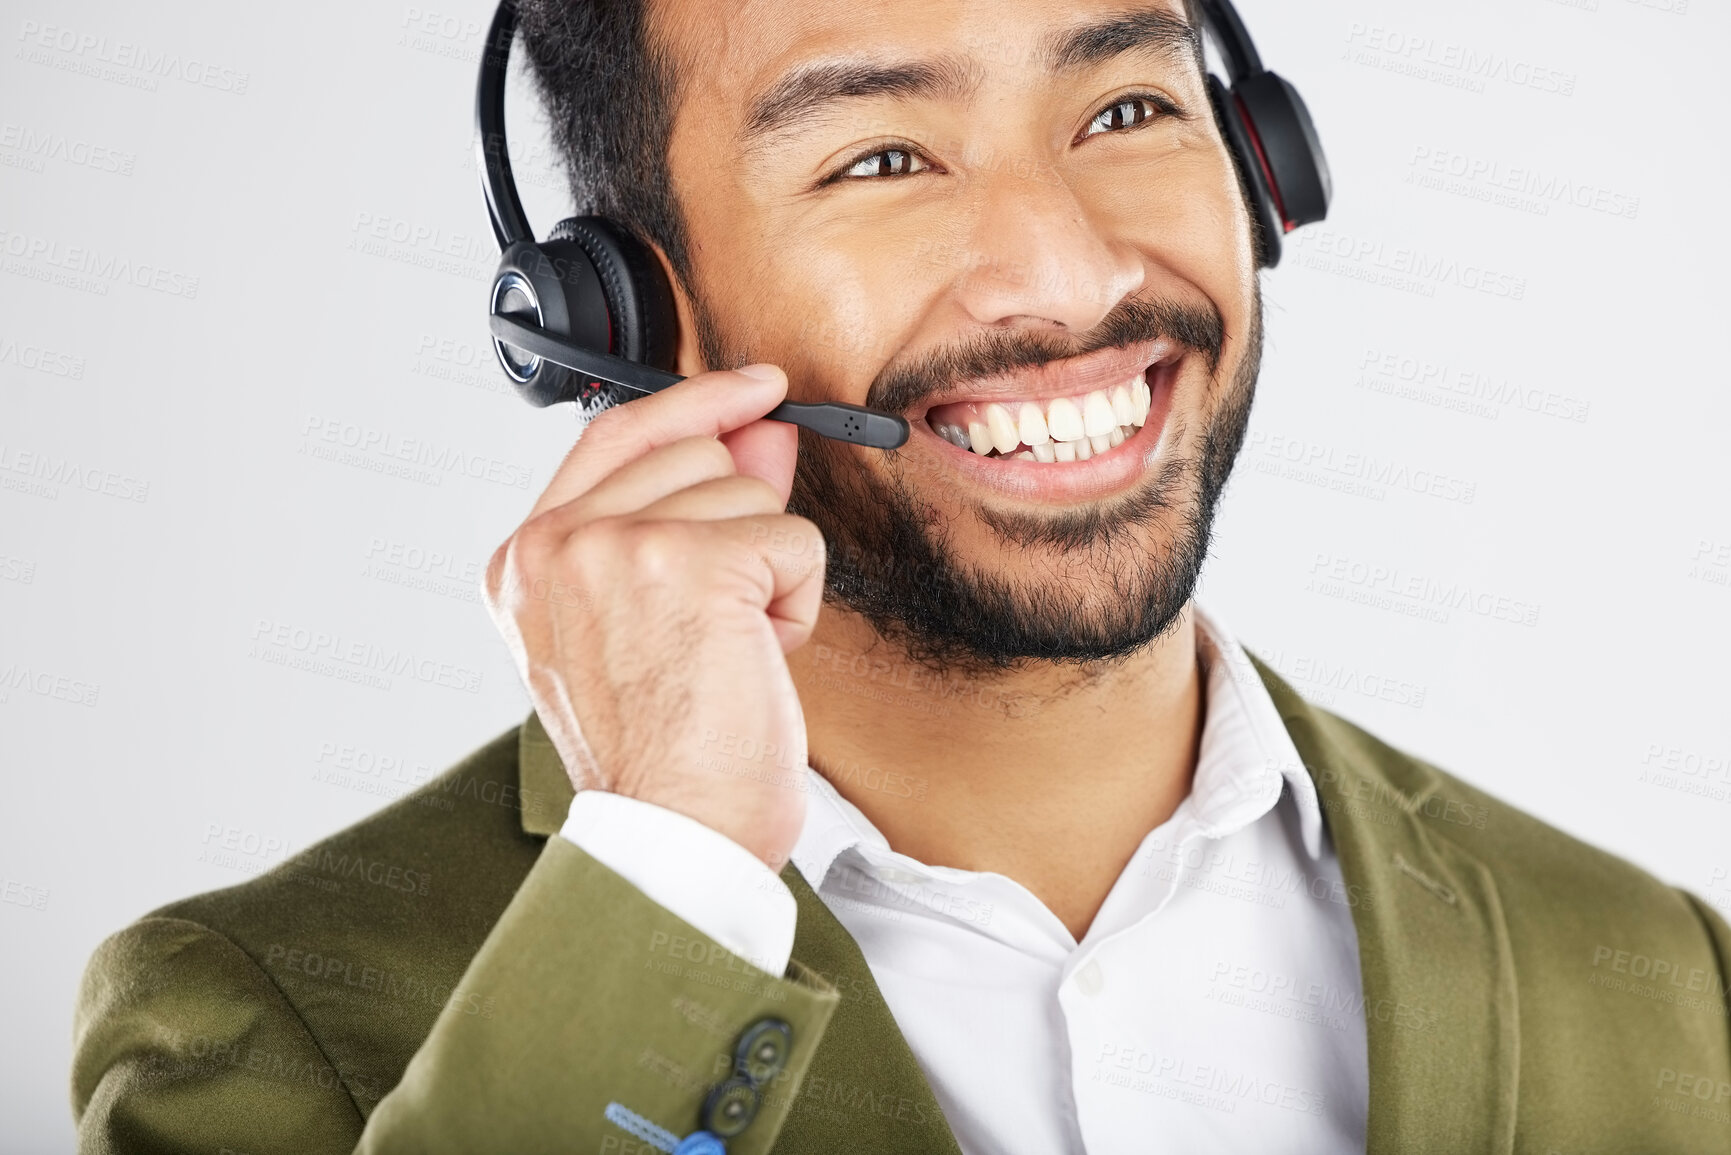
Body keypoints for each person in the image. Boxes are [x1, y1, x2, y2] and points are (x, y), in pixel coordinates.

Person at [71, 0, 1731, 1151]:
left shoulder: (1658, 978)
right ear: (624, 324)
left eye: (1127, 109)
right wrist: (669, 881)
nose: (1069, 271)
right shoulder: (266, 1019)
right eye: (882, 158)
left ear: (1265, 171)